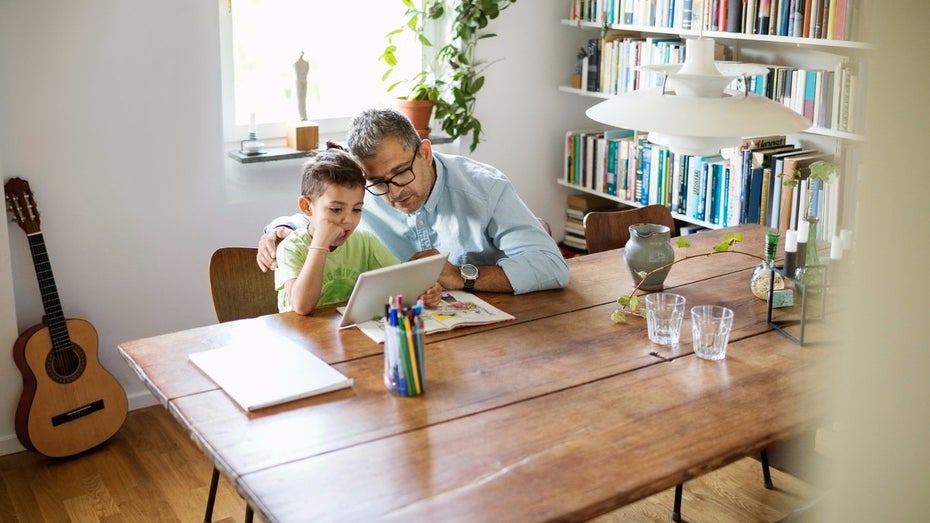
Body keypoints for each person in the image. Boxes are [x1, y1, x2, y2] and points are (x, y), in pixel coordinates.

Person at [259, 108, 569, 295]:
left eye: (400, 173)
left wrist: (461, 276)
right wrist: (279, 229)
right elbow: (321, 215)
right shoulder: (367, 192)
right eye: (378, 182)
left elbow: (553, 267)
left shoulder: (484, 188)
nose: (393, 192)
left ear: (425, 153)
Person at [275, 142, 441, 315]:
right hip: (300, 338)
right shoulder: (291, 248)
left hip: (347, 336)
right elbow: (301, 306)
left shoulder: (364, 242)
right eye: (336, 209)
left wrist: (426, 290)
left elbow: (402, 282)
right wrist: (320, 245)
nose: (348, 220)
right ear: (307, 207)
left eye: (356, 209)